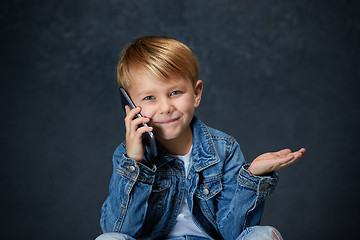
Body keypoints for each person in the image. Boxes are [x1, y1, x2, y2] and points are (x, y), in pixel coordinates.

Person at [96, 36, 306, 240]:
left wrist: (252, 177)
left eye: (175, 92)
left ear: (196, 94)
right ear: (130, 107)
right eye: (149, 97)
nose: (166, 108)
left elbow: (234, 233)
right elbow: (118, 229)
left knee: (262, 234)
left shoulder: (225, 149)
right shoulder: (127, 157)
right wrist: (135, 164)